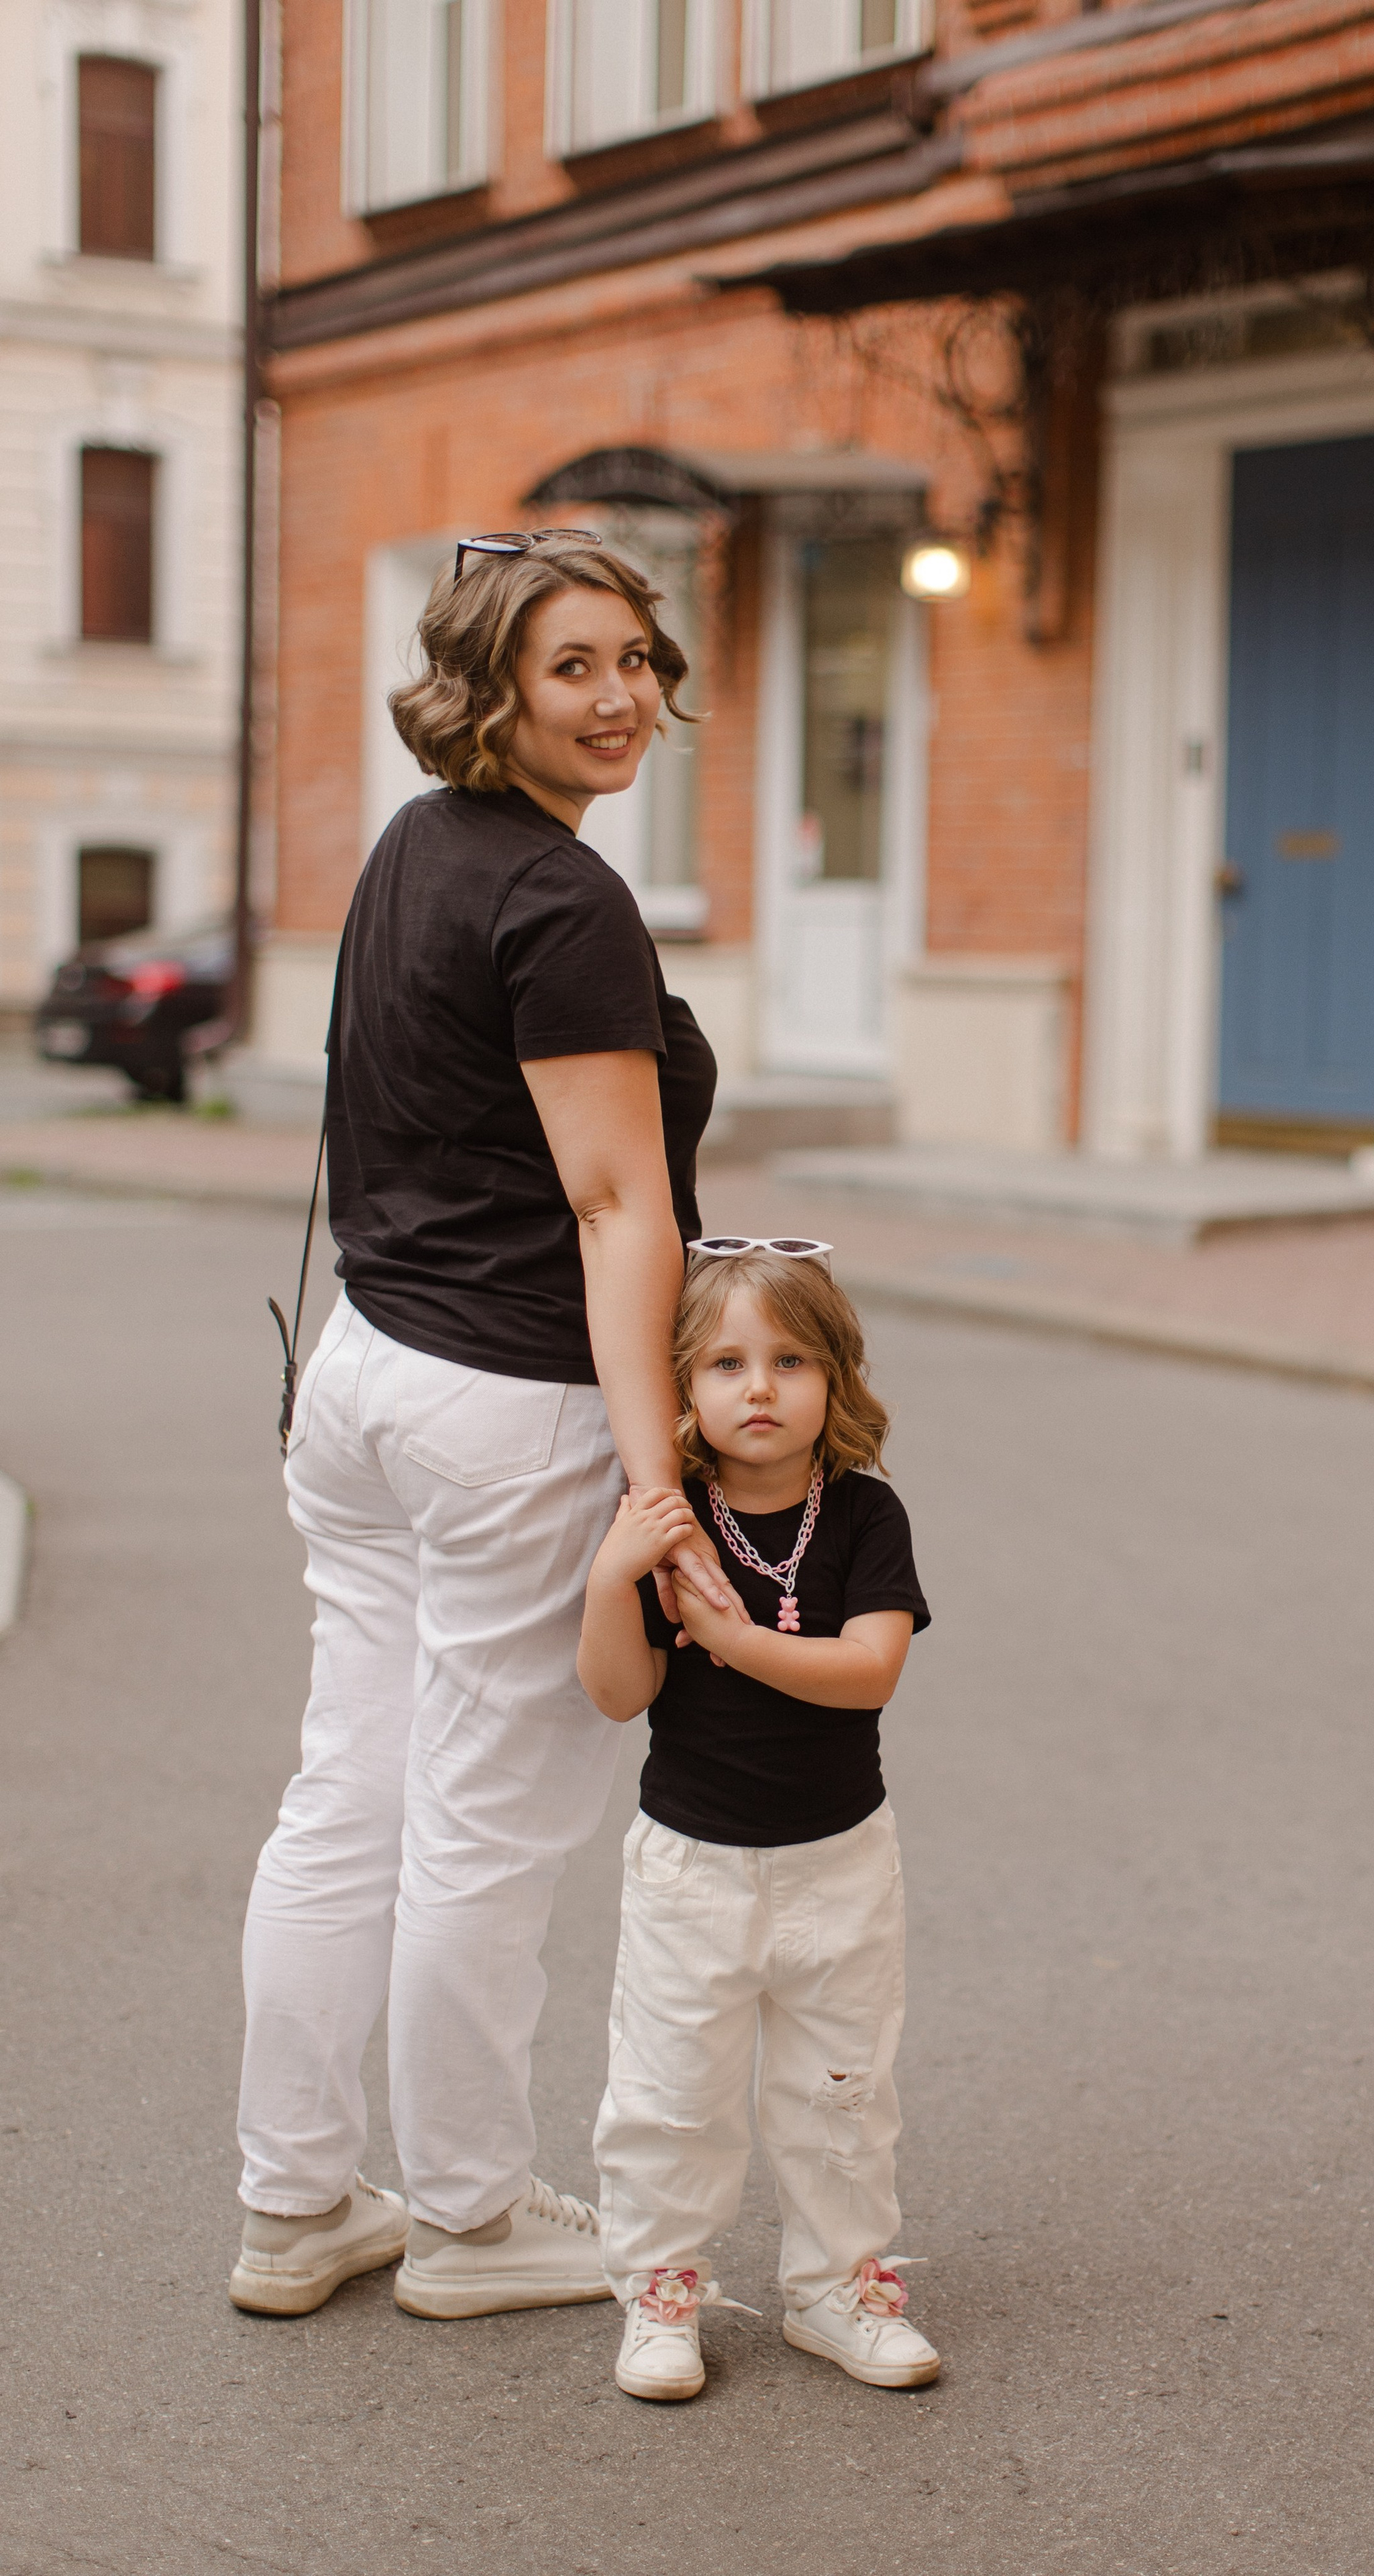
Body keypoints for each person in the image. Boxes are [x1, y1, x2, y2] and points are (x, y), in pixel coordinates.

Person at [229, 530, 741, 2324]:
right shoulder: (563, 900)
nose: (619, 698)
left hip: (367, 1378)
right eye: (572, 667)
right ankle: (464, 2219)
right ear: (489, 690)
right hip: (505, 1401)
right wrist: (658, 1475)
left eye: (636, 660)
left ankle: (296, 2209)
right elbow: (621, 1210)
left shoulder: (414, 850)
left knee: (348, 1792)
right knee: (486, 1824)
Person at [576, 1242, 941, 2400]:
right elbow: (622, 1693)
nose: (760, 1387)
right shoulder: (667, 1524)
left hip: (841, 1865)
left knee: (841, 2089)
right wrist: (607, 1582)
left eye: (789, 1359)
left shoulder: (866, 1518)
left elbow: (868, 1669)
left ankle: (837, 2285)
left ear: (833, 1377)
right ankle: (662, 2289)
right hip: (692, 1870)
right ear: (682, 1390)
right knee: (673, 2091)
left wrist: (732, 1643)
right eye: (726, 1363)